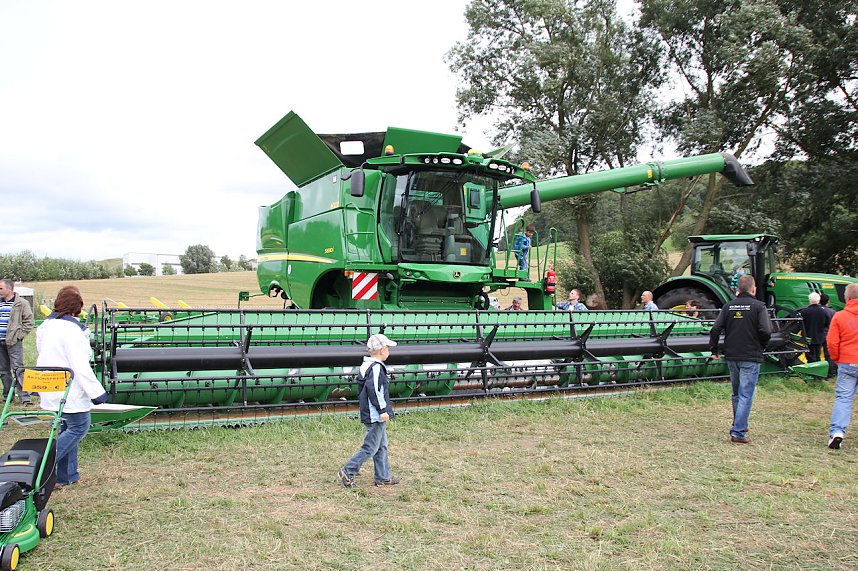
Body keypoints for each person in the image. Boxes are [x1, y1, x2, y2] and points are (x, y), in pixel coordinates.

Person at [36, 285, 108, 488]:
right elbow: (80, 365)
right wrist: (98, 393)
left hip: (50, 385)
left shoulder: (46, 326)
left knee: (66, 427)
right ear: (77, 308)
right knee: (79, 426)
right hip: (69, 388)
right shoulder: (72, 331)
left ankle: (66, 476)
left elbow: (43, 353)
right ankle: (41, 467)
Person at [708, 275, 772, 444]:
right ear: (754, 289)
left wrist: (714, 349)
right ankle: (738, 432)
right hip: (751, 355)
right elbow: (766, 330)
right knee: (746, 395)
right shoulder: (759, 307)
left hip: (732, 355)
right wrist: (763, 345)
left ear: (738, 289)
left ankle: (739, 425)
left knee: (737, 394)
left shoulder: (728, 307)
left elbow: (715, 329)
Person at [338, 333, 400, 488]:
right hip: (375, 415)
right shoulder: (377, 368)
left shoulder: (367, 365)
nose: (389, 351)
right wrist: (382, 410)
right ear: (380, 351)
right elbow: (375, 391)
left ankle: (383, 477)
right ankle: (348, 470)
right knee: (371, 447)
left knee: (381, 445)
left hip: (371, 413)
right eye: (387, 348)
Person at [826, 283, 858, 450]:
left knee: (843, 399)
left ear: (847, 298)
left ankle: (837, 432)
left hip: (847, 361)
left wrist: (837, 359)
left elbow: (832, 342)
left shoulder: (839, 316)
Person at [0, 279, 35, 406]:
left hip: (13, 342)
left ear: (9, 289)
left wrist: (18, 336)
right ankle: (8, 397)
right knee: (3, 371)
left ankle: (25, 398)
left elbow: (29, 322)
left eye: (1, 288)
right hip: (0, 342)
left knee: (18, 369)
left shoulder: (21, 303)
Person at [799, 292, 831, 364]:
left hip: (808, 337)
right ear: (819, 300)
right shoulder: (823, 312)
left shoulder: (804, 312)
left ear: (809, 300)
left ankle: (812, 371)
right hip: (819, 337)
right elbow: (827, 324)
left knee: (810, 356)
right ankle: (819, 371)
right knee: (817, 355)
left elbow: (799, 325)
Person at [820, 293, 837, 379]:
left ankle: (818, 374)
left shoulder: (818, 310)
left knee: (816, 355)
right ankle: (830, 374)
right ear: (828, 301)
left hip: (818, 335)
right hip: (828, 335)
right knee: (829, 356)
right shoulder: (832, 312)